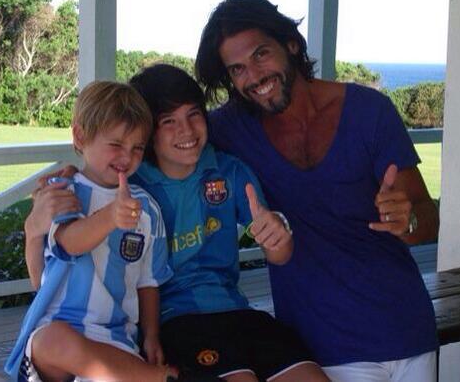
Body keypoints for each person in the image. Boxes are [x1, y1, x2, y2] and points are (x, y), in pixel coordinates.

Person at [24, 66, 330, 382]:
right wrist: (67, 185)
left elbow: (279, 253)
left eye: (194, 114)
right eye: (168, 121)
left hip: (233, 310)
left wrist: (278, 234)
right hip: (176, 320)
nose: (186, 131)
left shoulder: (224, 173)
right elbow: (94, 184)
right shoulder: (130, 184)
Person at [194, 0, 440, 382]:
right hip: (324, 348)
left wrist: (406, 220)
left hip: (408, 330)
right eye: (237, 69)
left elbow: (427, 217)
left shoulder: (369, 111)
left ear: (291, 44)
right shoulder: (230, 129)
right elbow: (162, 137)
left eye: (261, 54)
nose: (253, 76)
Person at [5, 81, 176, 382]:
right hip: (58, 331)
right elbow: (69, 243)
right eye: (116, 145)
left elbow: (148, 282)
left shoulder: (147, 209)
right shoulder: (62, 191)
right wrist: (111, 216)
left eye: (137, 148)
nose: (127, 157)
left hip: (114, 337)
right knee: (52, 340)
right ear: (81, 136)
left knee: (111, 367)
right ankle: (159, 378)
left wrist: (151, 335)